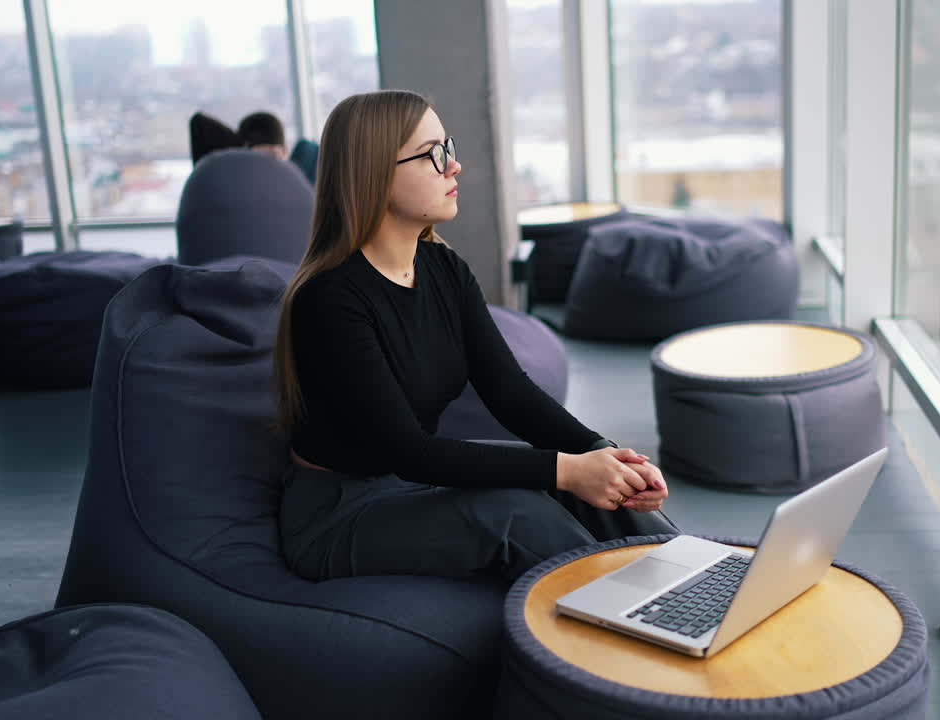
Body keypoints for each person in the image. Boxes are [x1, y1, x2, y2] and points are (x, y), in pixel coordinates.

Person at [273, 90, 677, 583]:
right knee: (522, 514)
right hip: (339, 512)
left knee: (595, 489)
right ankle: (629, 631)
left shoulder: (443, 268)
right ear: (375, 172)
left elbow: (510, 391)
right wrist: (569, 470)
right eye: (433, 155)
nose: (454, 166)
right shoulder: (330, 299)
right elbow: (409, 451)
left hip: (407, 482)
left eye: (449, 147)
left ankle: (695, 589)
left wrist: (605, 454)